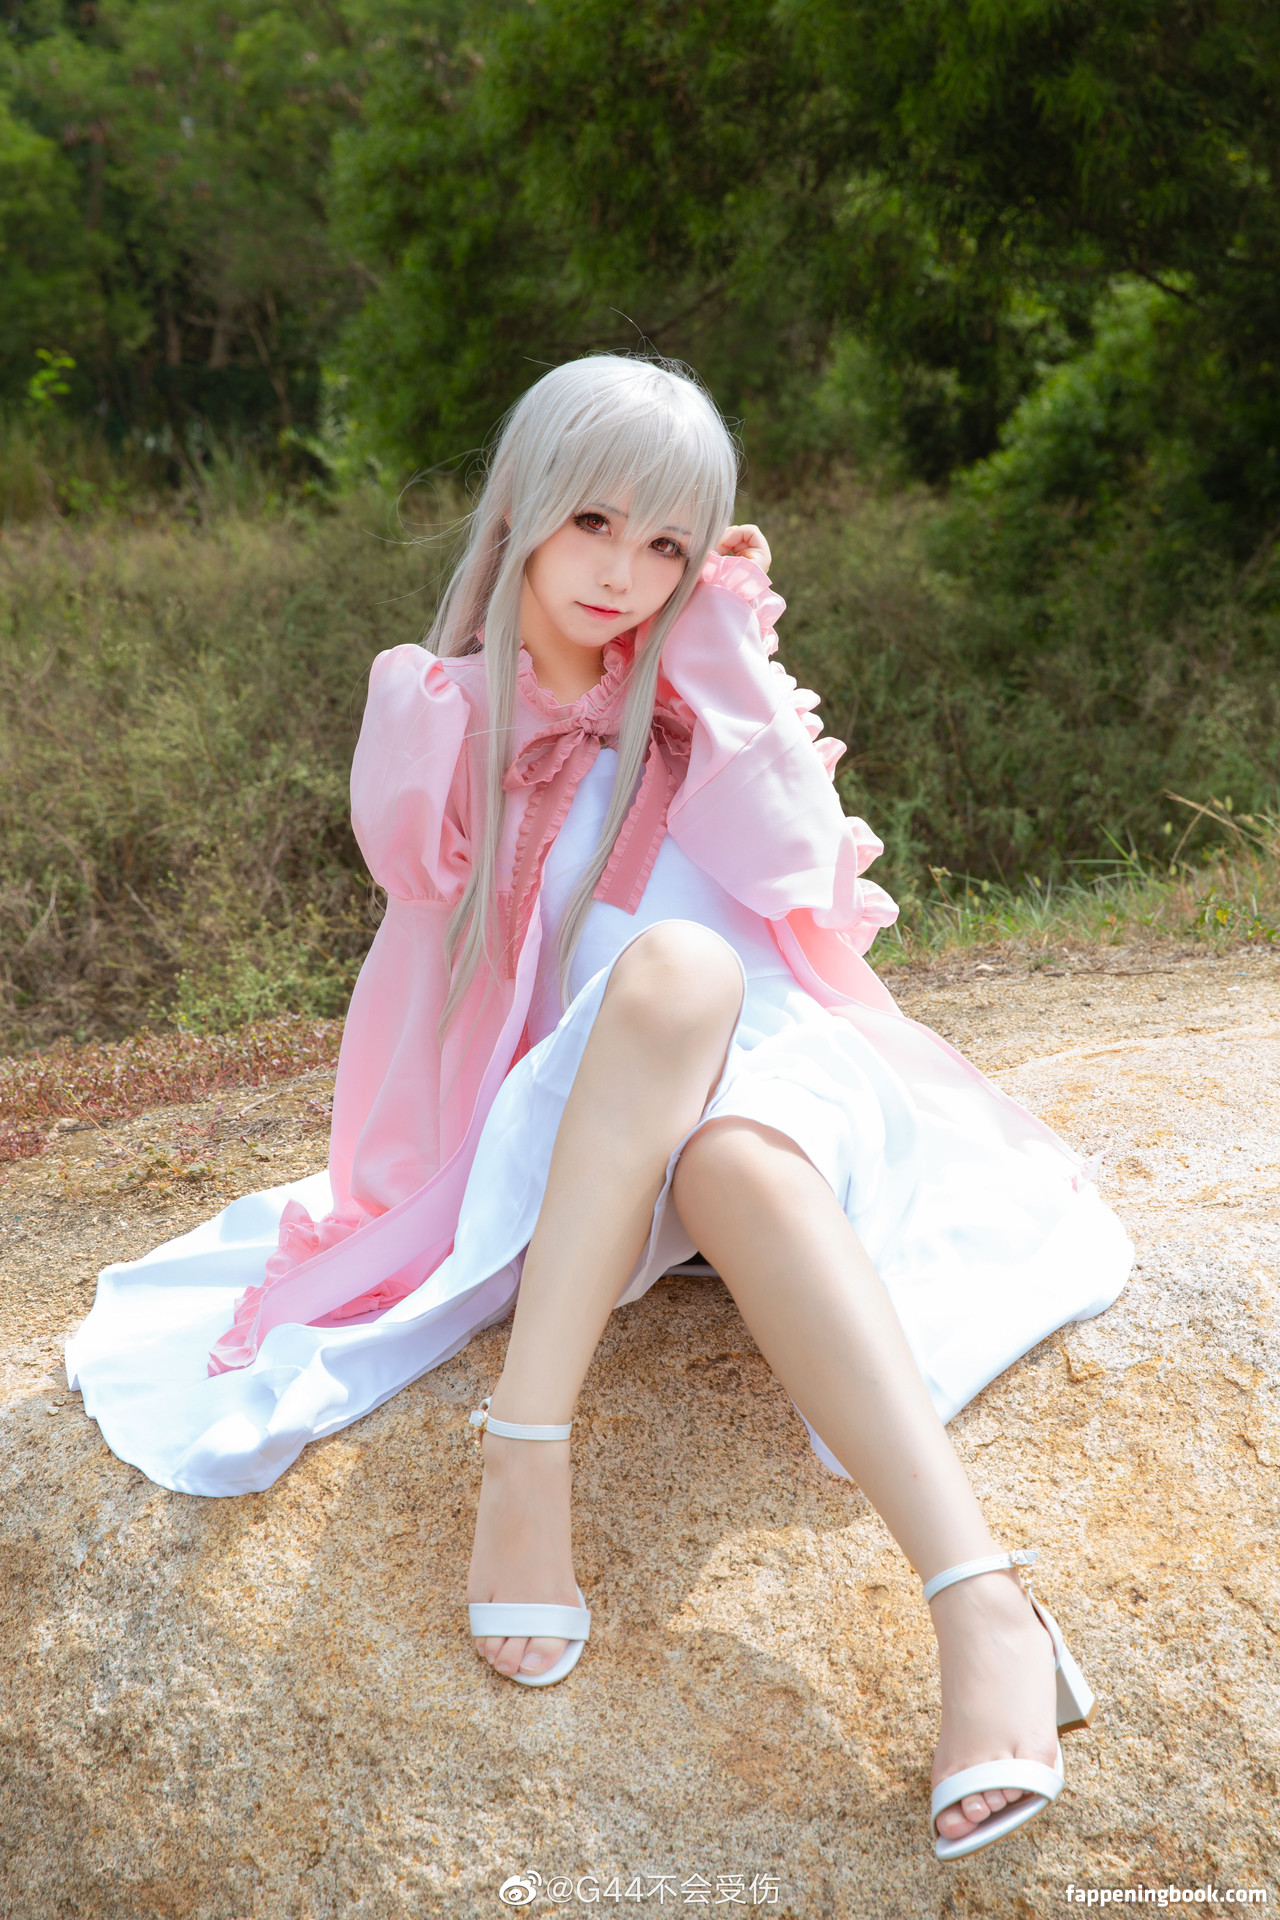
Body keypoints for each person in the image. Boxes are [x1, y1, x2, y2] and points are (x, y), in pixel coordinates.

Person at [67, 354, 1131, 1861]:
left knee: (728, 1110)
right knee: (673, 990)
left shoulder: (695, 678)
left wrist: (724, 646)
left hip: (785, 1073)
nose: (623, 573)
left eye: (667, 545)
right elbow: (417, 937)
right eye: (592, 524)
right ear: (522, 509)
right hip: (589, 1127)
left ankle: (978, 1609)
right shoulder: (437, 707)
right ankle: (553, 1458)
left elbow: (795, 871)